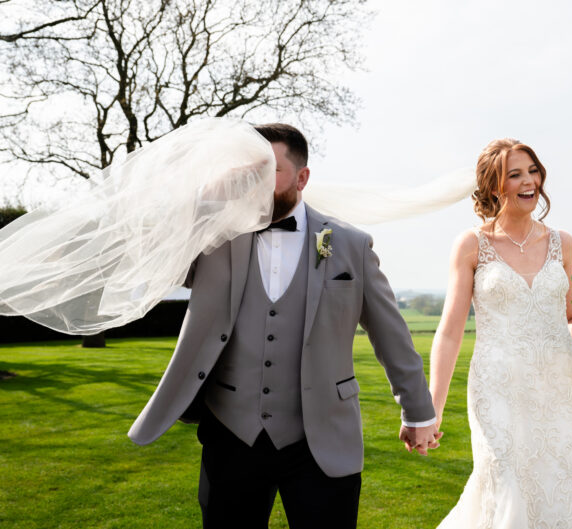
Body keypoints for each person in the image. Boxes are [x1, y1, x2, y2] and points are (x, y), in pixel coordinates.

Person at [127, 123, 440, 529]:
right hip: (231, 433)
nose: (256, 184)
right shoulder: (212, 240)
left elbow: (391, 335)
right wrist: (205, 202)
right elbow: (149, 259)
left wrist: (417, 412)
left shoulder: (349, 244)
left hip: (323, 437)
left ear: (302, 177)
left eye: (269, 171)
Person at [429, 138, 572, 528]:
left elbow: (567, 320)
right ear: (493, 186)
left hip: (560, 389)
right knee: (506, 486)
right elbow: (450, 333)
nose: (528, 181)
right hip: (498, 388)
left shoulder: (561, 243)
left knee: (561, 488)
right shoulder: (471, 244)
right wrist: (431, 408)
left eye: (532, 171)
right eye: (514, 174)